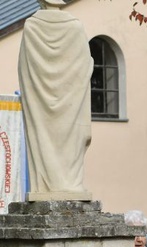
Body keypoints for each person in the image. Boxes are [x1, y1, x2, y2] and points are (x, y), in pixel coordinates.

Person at [18, 0, 93, 199]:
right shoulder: (75, 26)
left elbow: (24, 70)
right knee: (71, 141)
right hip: (72, 102)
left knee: (43, 136)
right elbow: (86, 65)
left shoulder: (32, 26)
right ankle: (70, 184)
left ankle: (46, 186)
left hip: (39, 105)